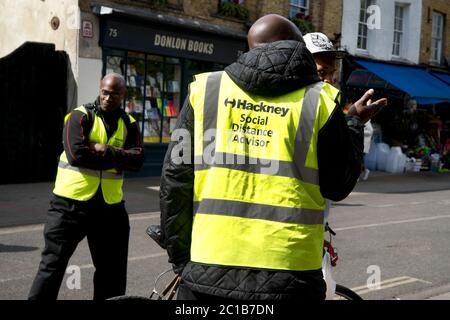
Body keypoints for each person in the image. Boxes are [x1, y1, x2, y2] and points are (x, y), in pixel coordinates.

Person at [159, 14, 386, 300]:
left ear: (251, 48)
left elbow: (175, 182)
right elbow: (339, 185)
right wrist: (353, 125)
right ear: (296, 49)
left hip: (208, 268)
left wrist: (181, 259)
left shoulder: (205, 91)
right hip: (291, 275)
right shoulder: (321, 102)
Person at [28, 73, 144, 300]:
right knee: (52, 265)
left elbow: (138, 160)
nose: (109, 98)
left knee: (113, 272)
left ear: (123, 96)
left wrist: (105, 149)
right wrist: (119, 160)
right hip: (70, 206)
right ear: (100, 90)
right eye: (105, 92)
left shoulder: (129, 124)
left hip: (110, 209)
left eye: (115, 94)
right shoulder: (79, 117)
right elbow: (76, 155)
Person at [303, 32, 379, 181]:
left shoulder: (325, 106)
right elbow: (340, 181)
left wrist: (353, 120)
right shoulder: (301, 107)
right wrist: (354, 120)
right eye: (322, 72)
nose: (329, 80)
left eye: (332, 73)